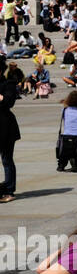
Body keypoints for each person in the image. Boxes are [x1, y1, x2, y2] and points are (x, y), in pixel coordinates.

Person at [0, 62, 18, 203]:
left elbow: (8, 101)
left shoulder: (9, 84)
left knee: (7, 159)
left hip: (5, 127)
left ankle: (9, 190)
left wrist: (2, 98)